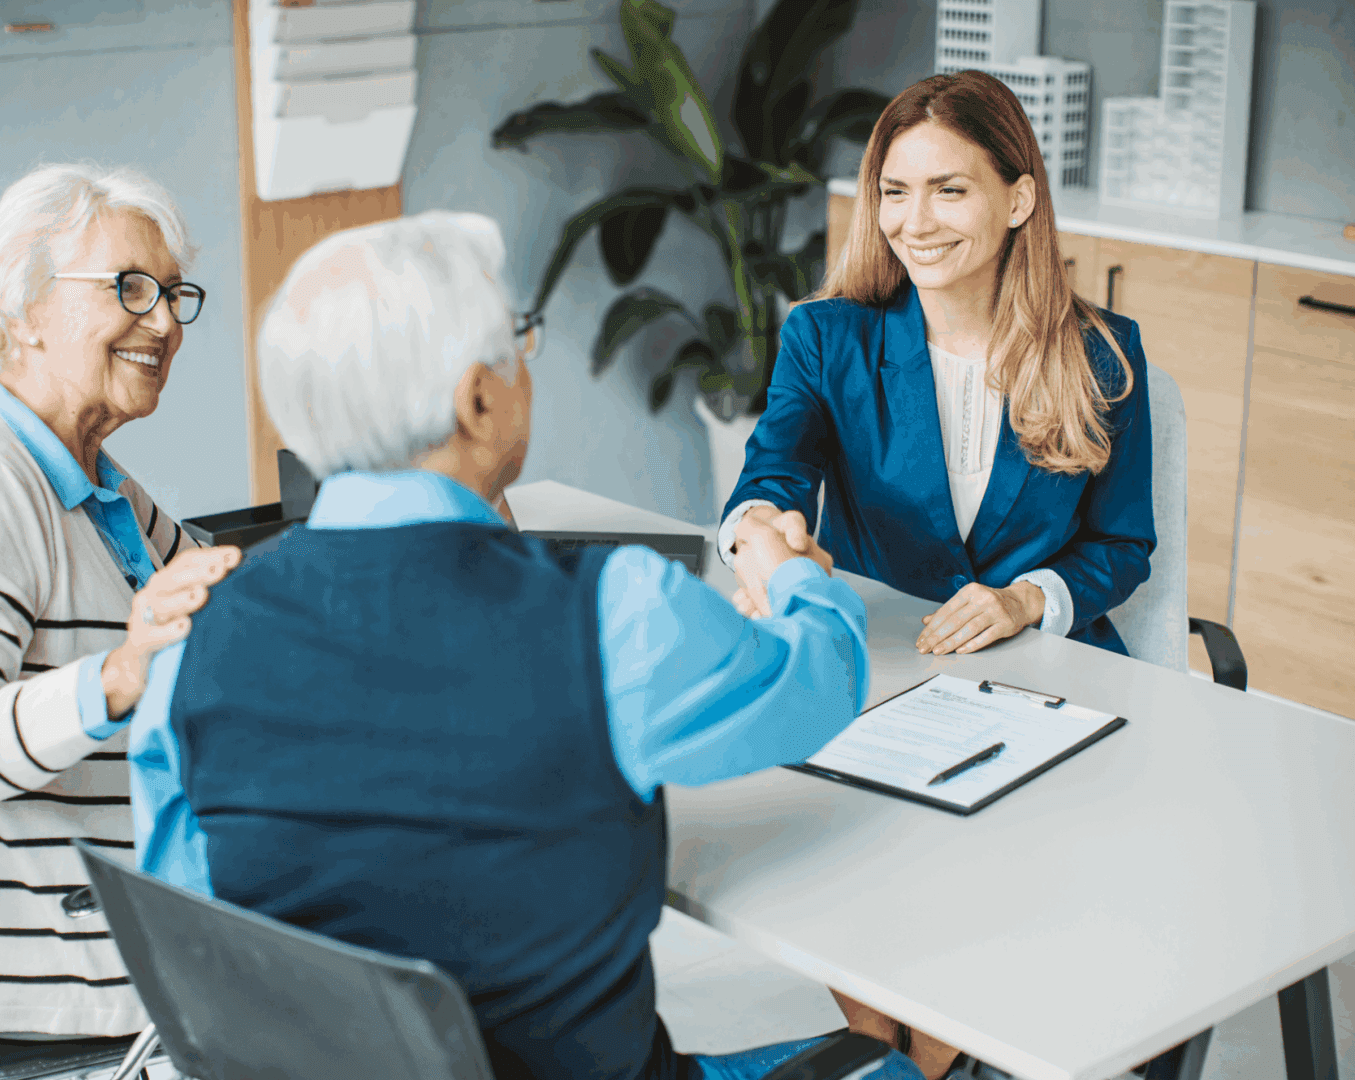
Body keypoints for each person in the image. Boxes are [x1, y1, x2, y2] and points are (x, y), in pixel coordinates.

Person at [127, 212, 962, 1080]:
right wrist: (794, 575)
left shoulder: (194, 642)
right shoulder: (616, 612)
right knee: (900, 1061)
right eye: (517, 340)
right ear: (476, 398)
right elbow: (816, 686)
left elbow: (199, 925)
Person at [0, 163, 239, 1044]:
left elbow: (219, 584)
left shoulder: (88, 482)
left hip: (116, 939)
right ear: (22, 310)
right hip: (59, 978)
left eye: (174, 293)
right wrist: (117, 677)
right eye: (130, 288)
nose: (163, 321)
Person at [721, 71, 1156, 657]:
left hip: (1049, 664)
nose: (916, 223)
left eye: (949, 190)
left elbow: (1121, 543)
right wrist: (762, 531)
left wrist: (1025, 600)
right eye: (895, 192)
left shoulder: (1102, 353)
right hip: (885, 656)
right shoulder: (825, 338)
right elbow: (775, 474)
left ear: (1018, 200)